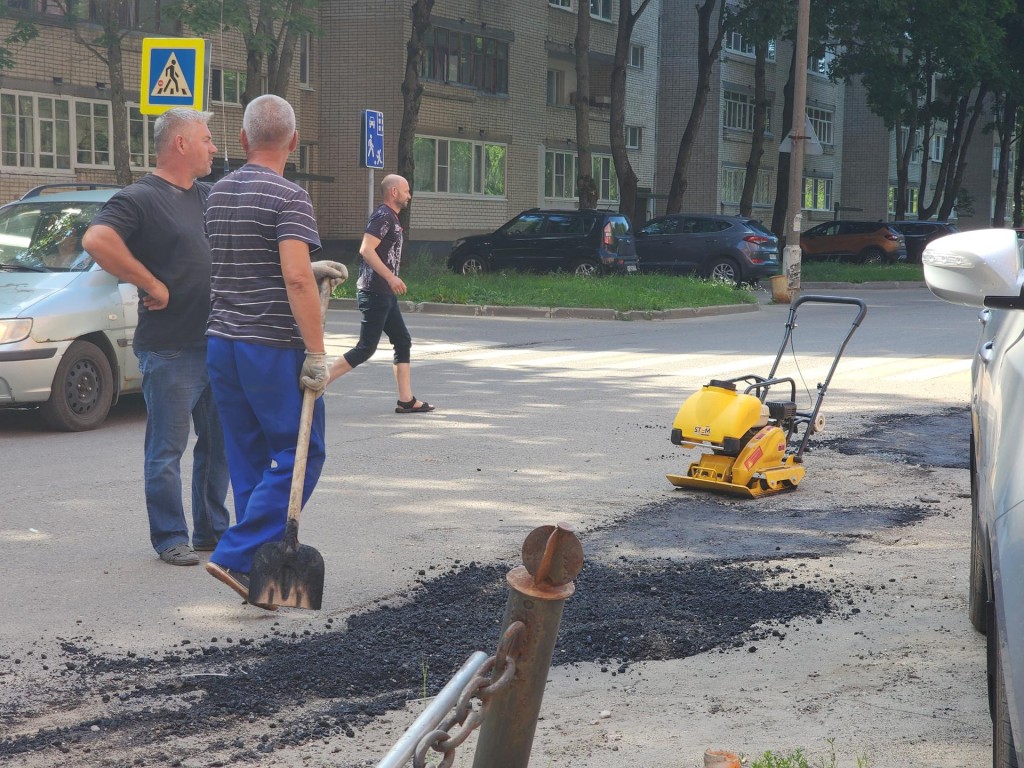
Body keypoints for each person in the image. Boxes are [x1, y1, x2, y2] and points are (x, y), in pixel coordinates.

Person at [202, 94, 346, 609]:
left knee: (249, 460)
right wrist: (316, 351)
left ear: (242, 141)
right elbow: (291, 277)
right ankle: (236, 553)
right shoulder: (289, 196)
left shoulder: (216, 194)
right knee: (302, 453)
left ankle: (255, 576)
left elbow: (251, 263)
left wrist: (313, 267)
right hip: (270, 347)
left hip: (223, 343)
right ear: (294, 142)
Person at [82, 108, 230, 567]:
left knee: (219, 444)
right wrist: (150, 282)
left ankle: (211, 529)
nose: (214, 147)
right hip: (171, 346)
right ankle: (170, 536)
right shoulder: (139, 197)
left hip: (217, 341)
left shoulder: (206, 195)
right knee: (167, 448)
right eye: (206, 139)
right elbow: (97, 239)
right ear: (181, 144)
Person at [327, 174, 435, 414]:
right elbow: (366, 249)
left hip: (383, 293)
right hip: (374, 290)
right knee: (366, 348)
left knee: (402, 340)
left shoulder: (391, 217)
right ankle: (316, 384)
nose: (410, 195)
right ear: (394, 192)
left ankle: (406, 400)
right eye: (406, 191)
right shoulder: (383, 216)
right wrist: (390, 276)